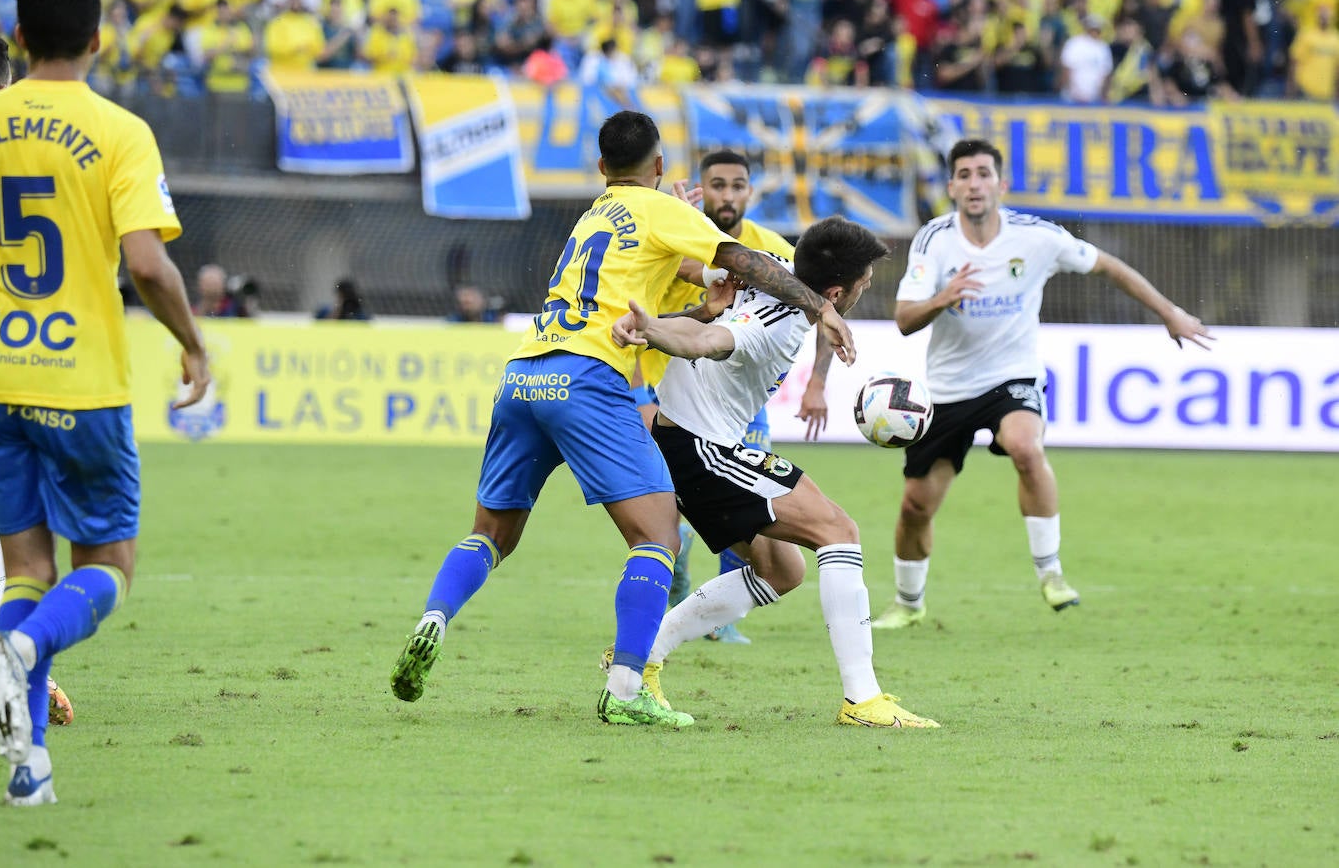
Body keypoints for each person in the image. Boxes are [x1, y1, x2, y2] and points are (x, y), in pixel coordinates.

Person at [388, 109, 855, 728]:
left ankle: (433, 618)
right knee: (658, 537)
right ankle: (627, 686)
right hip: (588, 380)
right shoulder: (660, 207)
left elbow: (652, 298)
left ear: (602, 168)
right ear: (659, 167)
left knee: (492, 534)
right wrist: (816, 303)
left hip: (525, 373)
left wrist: (702, 306)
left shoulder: (592, 215)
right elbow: (748, 262)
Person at [0, 0, 209, 806]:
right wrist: (193, 343)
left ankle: (29, 772)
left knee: (24, 565)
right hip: (79, 382)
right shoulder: (120, 131)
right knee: (108, 563)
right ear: (100, 39)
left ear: (19, 37)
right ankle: (26, 651)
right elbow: (147, 261)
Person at [609, 216, 938, 728]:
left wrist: (674, 311)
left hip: (696, 441)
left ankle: (641, 655)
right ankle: (863, 700)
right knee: (839, 531)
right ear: (833, 291)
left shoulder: (777, 274)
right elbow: (708, 342)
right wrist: (651, 329)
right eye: (863, 282)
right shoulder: (776, 326)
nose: (868, 285)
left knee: (784, 571)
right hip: (701, 450)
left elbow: (704, 303)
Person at [872, 139, 1213, 630]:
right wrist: (943, 298)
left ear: (1001, 184)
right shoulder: (934, 239)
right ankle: (908, 602)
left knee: (1025, 448)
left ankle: (1051, 573)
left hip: (1013, 375)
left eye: (983, 173)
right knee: (915, 505)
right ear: (951, 187)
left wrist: (1170, 313)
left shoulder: (1037, 237)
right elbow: (904, 319)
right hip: (947, 389)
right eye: (964, 174)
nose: (974, 183)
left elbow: (1109, 267)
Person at [650, 150, 830, 645]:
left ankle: (721, 616)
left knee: (749, 500)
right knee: (672, 516)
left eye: (737, 186)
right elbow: (675, 299)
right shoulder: (677, 238)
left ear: (750, 192)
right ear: (703, 189)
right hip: (662, 376)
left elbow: (818, 308)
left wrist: (817, 382)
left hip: (735, 395)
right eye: (717, 185)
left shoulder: (773, 250)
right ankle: (676, 569)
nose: (727, 195)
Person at [0, 27, 76, 731]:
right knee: (24, 536)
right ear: (4, 82)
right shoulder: (38, 146)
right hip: (6, 366)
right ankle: (30, 666)